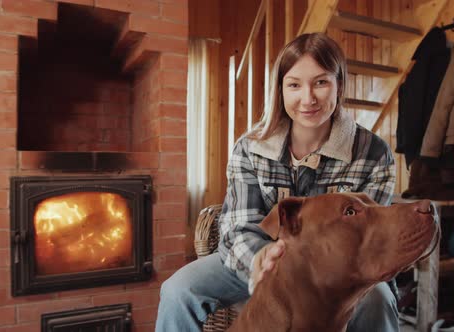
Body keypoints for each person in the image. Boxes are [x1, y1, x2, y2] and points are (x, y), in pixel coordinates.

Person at [156, 32, 398, 332]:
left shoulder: (375, 154)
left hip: (341, 271)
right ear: (280, 90)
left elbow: (371, 238)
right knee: (178, 290)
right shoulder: (250, 147)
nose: (307, 98)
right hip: (260, 261)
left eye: (321, 82)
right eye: (294, 85)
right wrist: (260, 259)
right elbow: (238, 228)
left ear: (339, 85)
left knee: (379, 300)